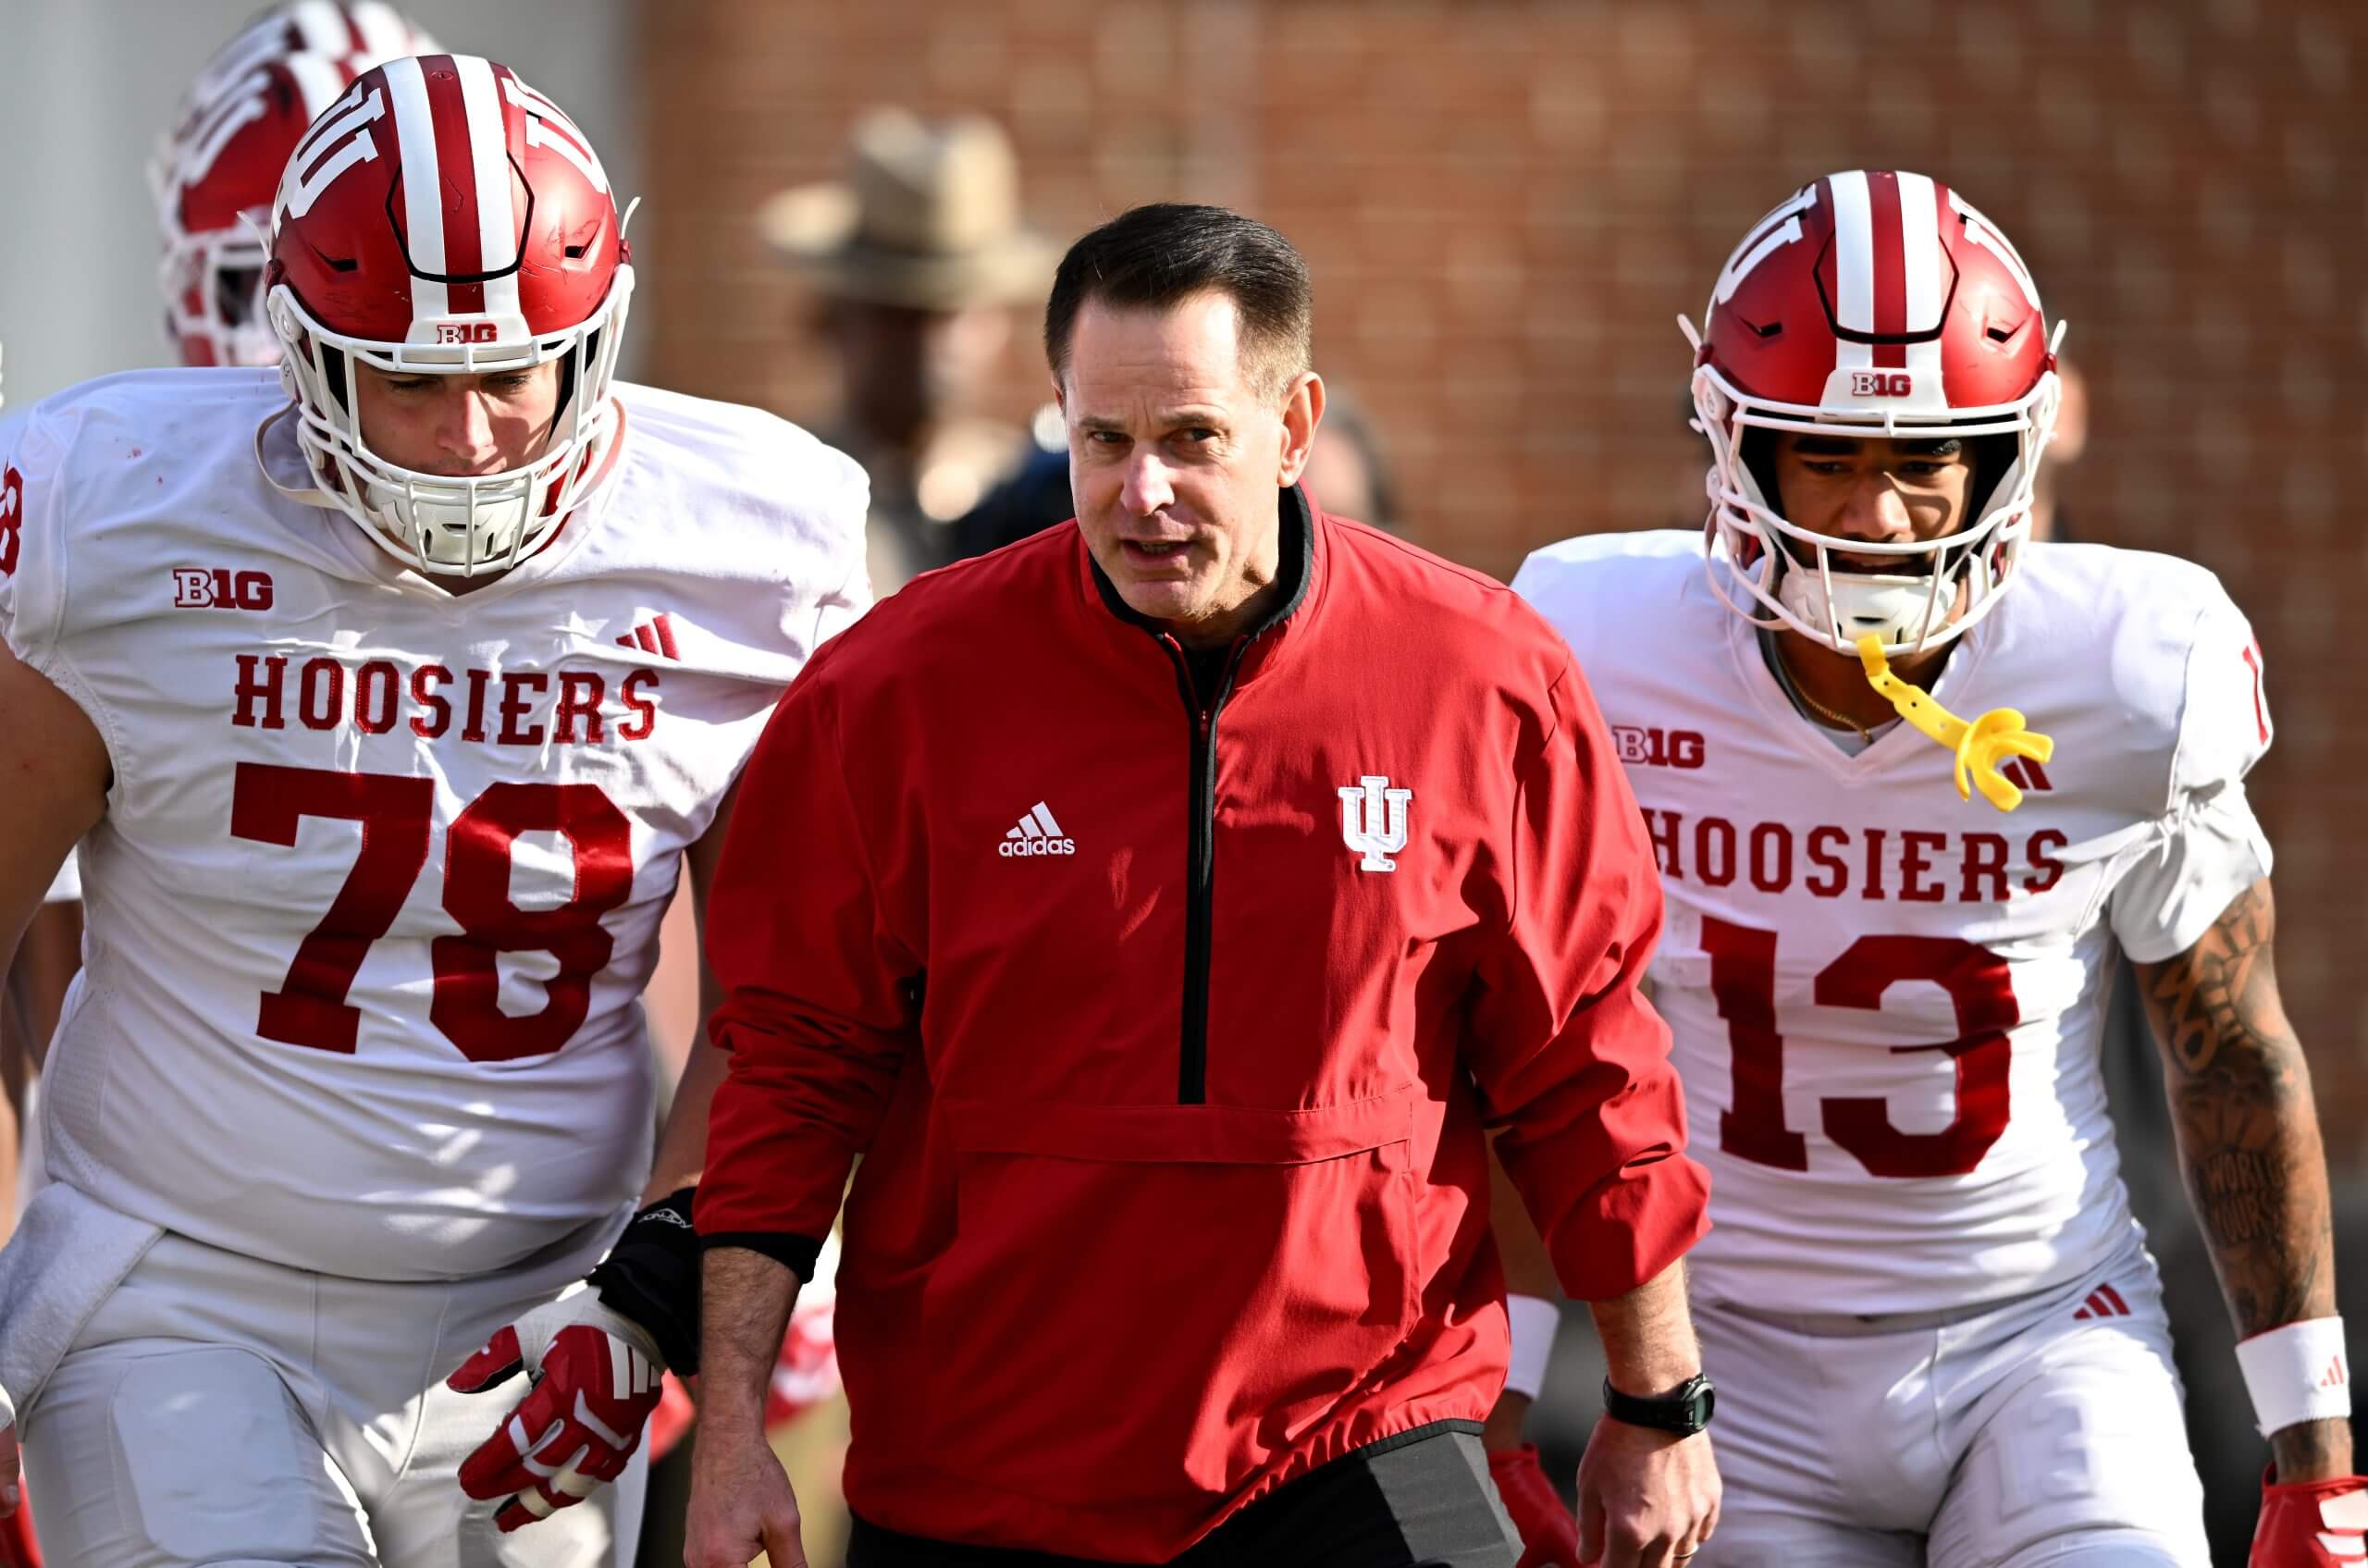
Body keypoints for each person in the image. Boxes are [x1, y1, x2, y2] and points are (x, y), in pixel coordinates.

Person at [684, 202, 1718, 1568]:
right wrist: (730, 1426)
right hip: (984, 1465)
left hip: (1362, 1432)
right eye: (1101, 440)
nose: (1141, 490)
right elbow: (793, 1071)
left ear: (1294, 427)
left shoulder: (1485, 679)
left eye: (1191, 438)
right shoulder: (893, 691)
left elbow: (1582, 1063)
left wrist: (1655, 1398)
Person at [0, 52, 868, 1568]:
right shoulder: (117, 515)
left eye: (509, 374)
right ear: (304, 348)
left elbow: (774, 1010)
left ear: (595, 342)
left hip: (545, 1319)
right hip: (180, 1296)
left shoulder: (754, 545)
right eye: (408, 378)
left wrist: (652, 1300)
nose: (470, 436)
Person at [1513, 169, 2362, 1566]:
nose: (1883, 515)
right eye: (1829, 456)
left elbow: (2226, 1045)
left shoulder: (2128, 670)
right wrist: (1502, 1395)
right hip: (1721, 1351)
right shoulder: (1593, 647)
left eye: (1926, 459)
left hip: (2039, 1333)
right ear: (1736, 447)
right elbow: (1529, 1050)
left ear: (2011, 453)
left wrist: (2315, 1457)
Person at [760, 107, 1055, 592]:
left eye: (952, 314)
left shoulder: (1040, 497)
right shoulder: (783, 495)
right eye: (897, 316)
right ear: (830, 320)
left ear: (998, 321)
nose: (929, 345)